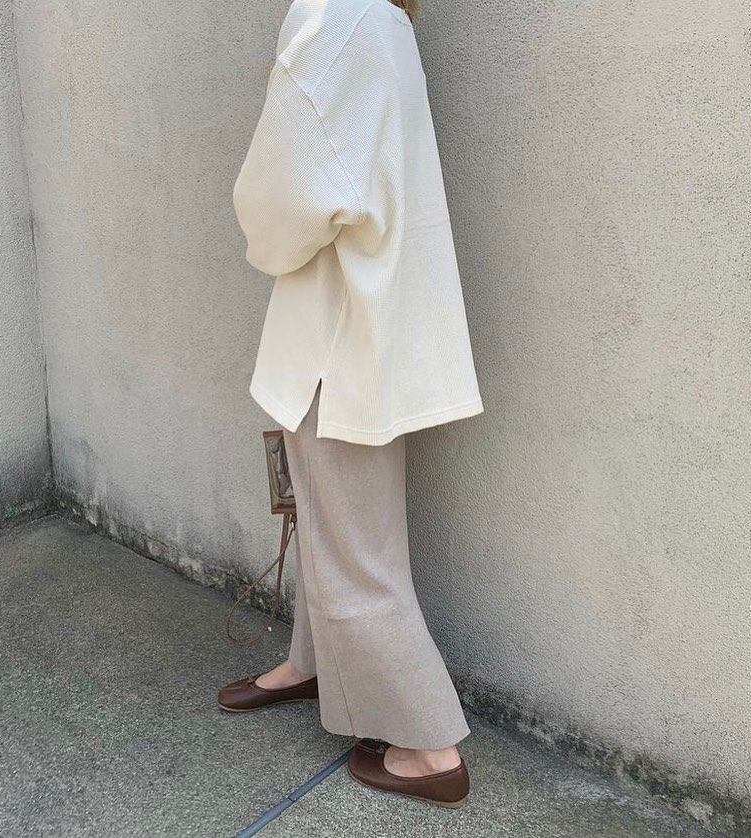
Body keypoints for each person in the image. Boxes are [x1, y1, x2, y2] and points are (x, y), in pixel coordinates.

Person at [218, 0, 484, 809]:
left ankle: (431, 747)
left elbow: (285, 199)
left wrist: (262, 234)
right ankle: (314, 663)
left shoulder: (336, 17)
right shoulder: (385, 18)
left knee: (359, 552)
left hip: (337, 333)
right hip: (366, 323)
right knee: (334, 524)